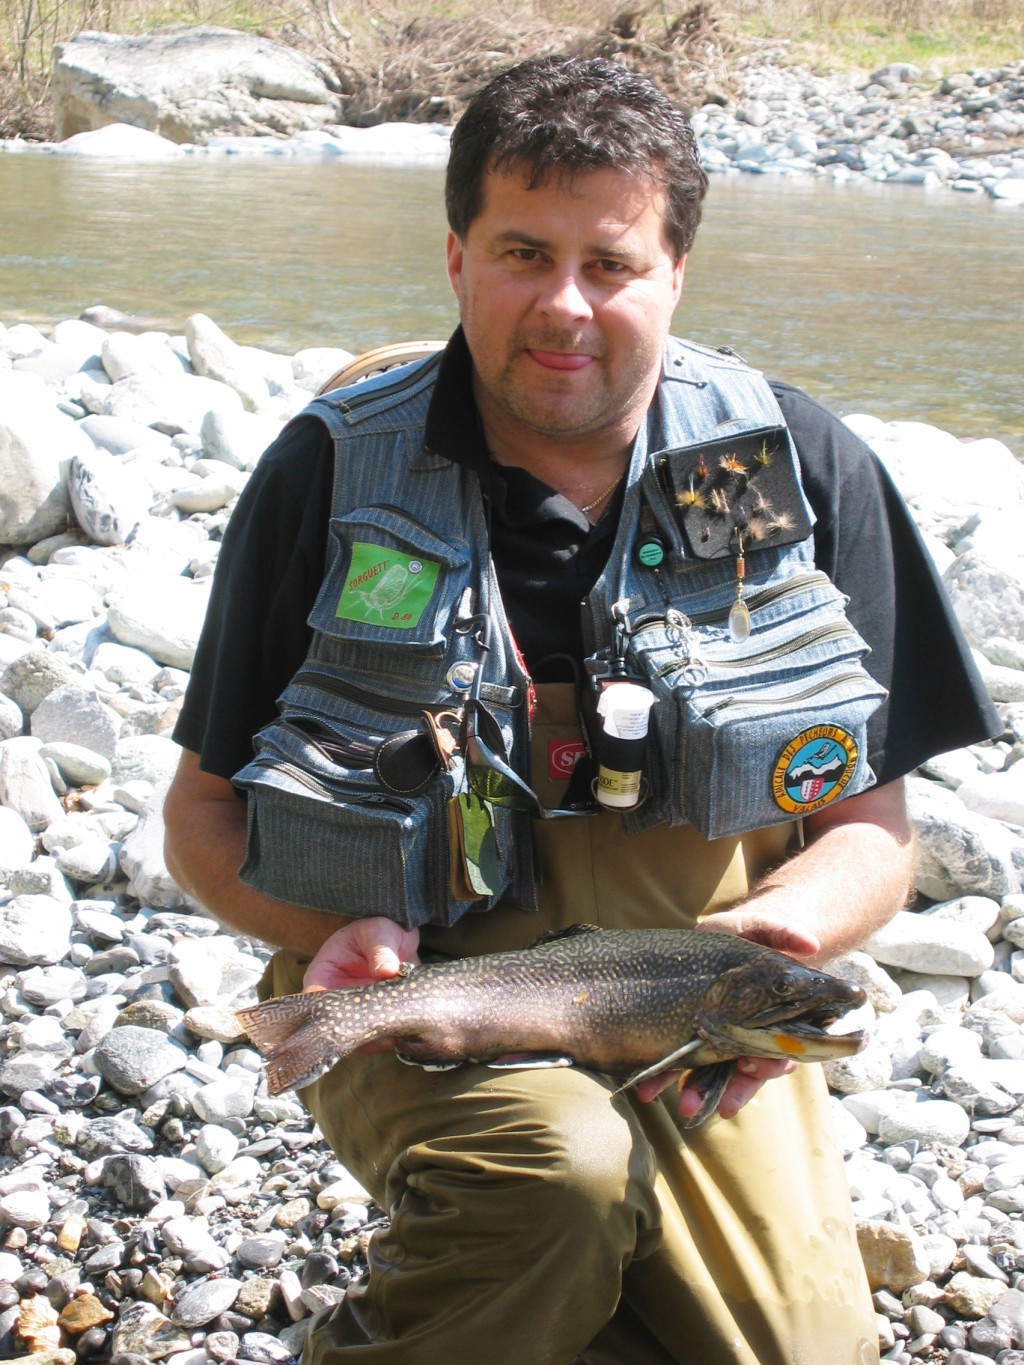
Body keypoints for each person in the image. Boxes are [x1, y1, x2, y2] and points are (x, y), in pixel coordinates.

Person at [164, 55, 999, 1365]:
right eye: (521, 251)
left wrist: (777, 937)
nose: (564, 305)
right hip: (429, 979)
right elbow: (201, 817)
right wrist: (332, 937)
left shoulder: (797, 465)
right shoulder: (328, 473)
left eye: (610, 263)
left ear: (676, 271)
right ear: (454, 257)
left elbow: (873, 829)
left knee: (797, 1350)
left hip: (695, 984)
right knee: (555, 1186)